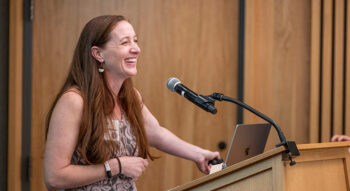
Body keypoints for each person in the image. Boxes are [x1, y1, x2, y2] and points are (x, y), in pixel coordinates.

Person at [43, 15, 220, 191]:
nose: (136, 49)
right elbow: (54, 177)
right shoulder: (74, 101)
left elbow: (157, 134)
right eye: (125, 42)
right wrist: (115, 166)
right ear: (98, 54)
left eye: (135, 41)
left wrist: (199, 155)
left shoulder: (130, 96)